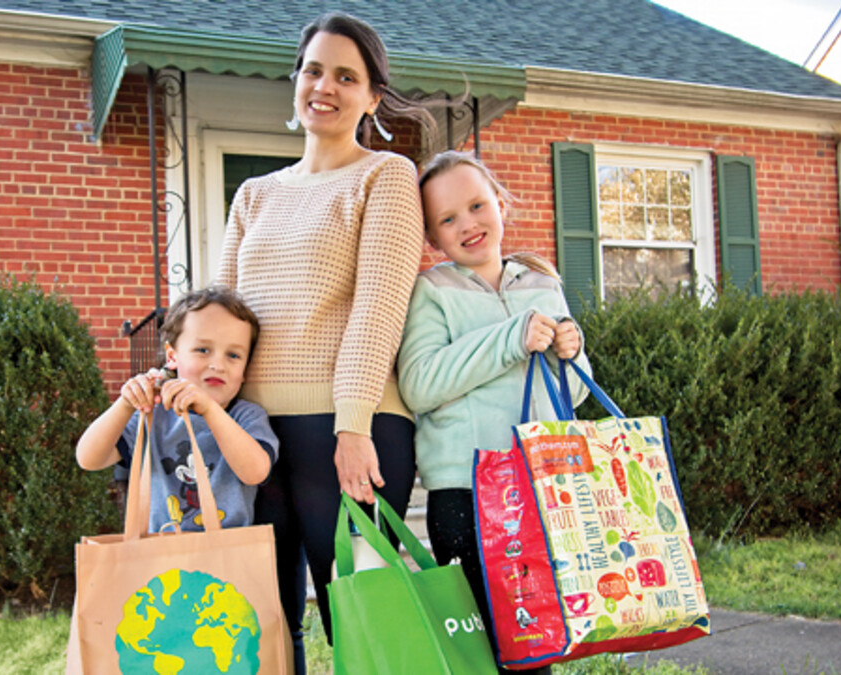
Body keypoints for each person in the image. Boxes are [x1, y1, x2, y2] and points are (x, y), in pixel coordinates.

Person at [215, 11, 436, 671]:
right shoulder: (253, 194)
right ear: (296, 80)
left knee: (356, 624)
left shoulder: (385, 176)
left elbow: (378, 304)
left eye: (347, 75)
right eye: (315, 70)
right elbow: (219, 312)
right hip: (250, 429)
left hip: (345, 428)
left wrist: (352, 422)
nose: (326, 86)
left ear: (371, 97)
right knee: (262, 627)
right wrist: (192, 394)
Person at [397, 150, 593, 675]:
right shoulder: (432, 291)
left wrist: (572, 354)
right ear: (433, 239)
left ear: (501, 203)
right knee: (478, 649)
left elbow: (571, 396)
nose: (468, 224)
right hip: (464, 490)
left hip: (535, 483)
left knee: (535, 643)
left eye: (477, 205)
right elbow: (419, 384)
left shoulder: (543, 284)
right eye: (447, 219)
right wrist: (510, 339)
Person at [76, 286, 278, 533]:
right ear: (172, 356)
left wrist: (210, 409)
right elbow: (88, 458)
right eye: (203, 350)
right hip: (163, 557)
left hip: (228, 559)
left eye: (233, 355)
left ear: (246, 369)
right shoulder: (154, 415)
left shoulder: (246, 416)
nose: (217, 365)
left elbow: (255, 473)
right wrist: (125, 404)